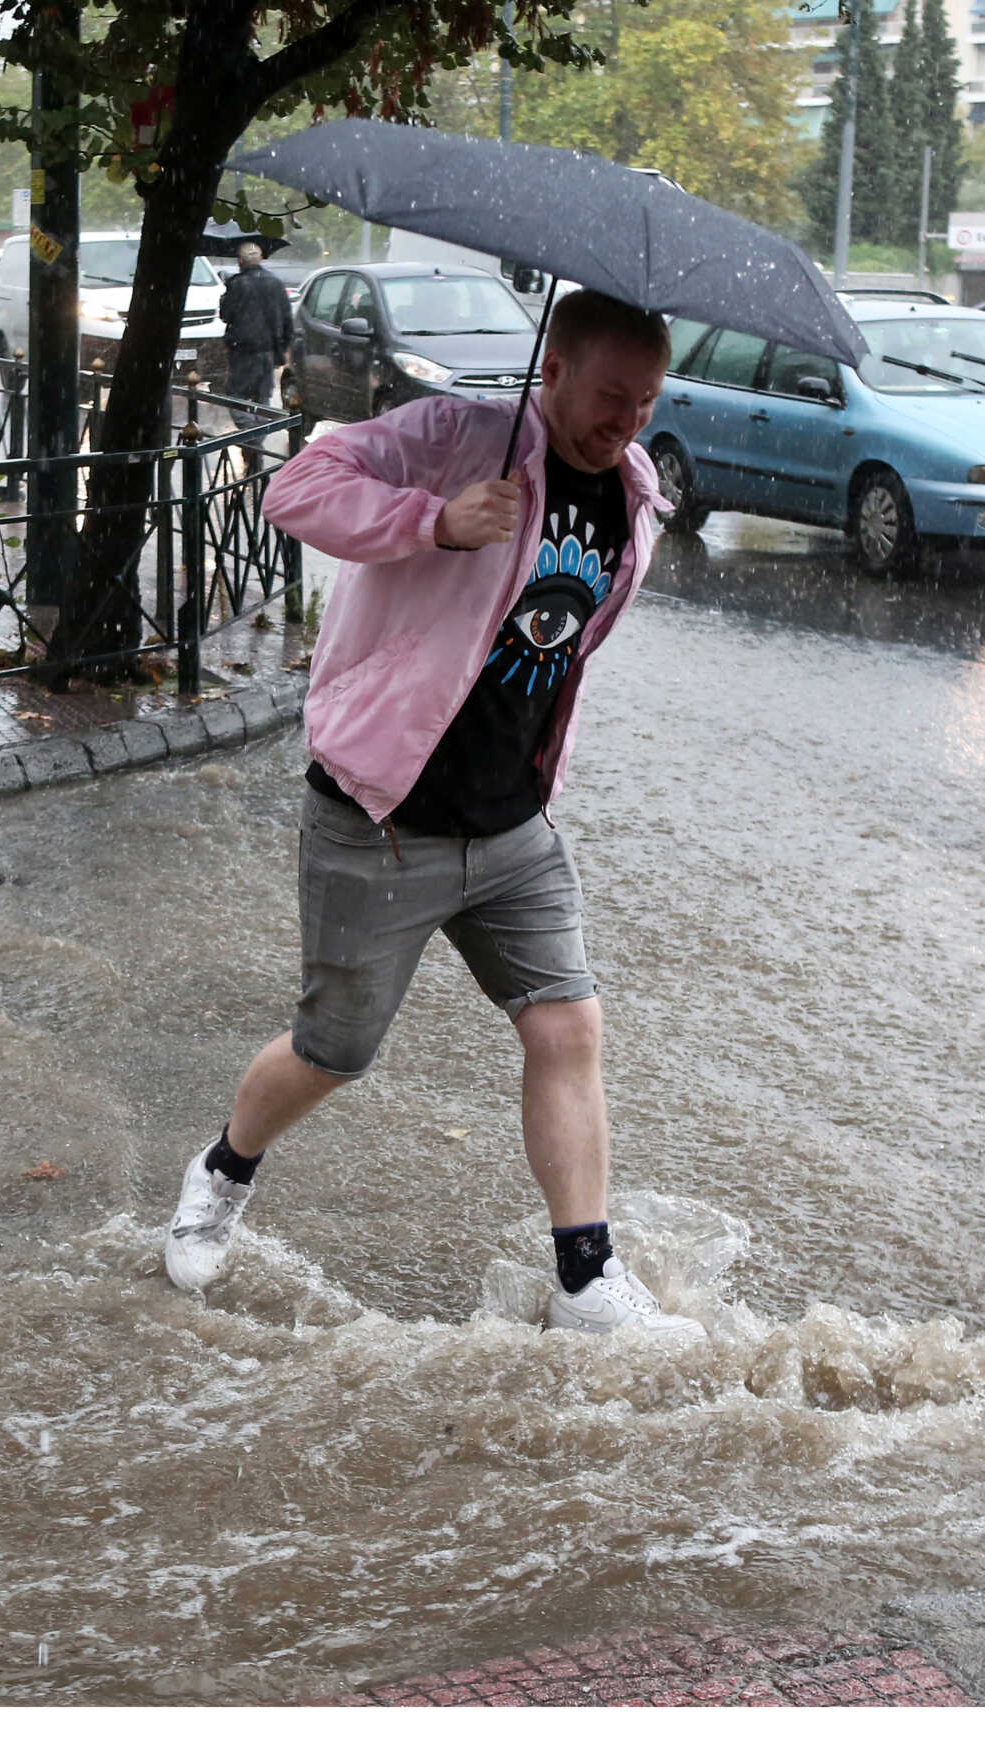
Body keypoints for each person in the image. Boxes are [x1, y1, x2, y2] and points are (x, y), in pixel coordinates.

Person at [163, 289, 703, 1338]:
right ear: (551, 371)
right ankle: (221, 1174)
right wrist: (432, 521)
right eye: (608, 397)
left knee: (566, 1027)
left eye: (645, 402)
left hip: (514, 829)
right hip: (385, 820)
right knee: (333, 1052)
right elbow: (296, 489)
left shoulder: (633, 487)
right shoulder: (457, 436)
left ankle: (585, 1279)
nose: (627, 422)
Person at [218, 239, 293, 417]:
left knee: (236, 397)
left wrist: (224, 301)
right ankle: (256, 437)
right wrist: (282, 347)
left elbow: (226, 315)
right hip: (267, 350)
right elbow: (287, 319)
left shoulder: (236, 284)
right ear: (260, 259)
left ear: (241, 261)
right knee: (262, 399)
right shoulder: (275, 283)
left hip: (242, 350)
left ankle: (252, 439)